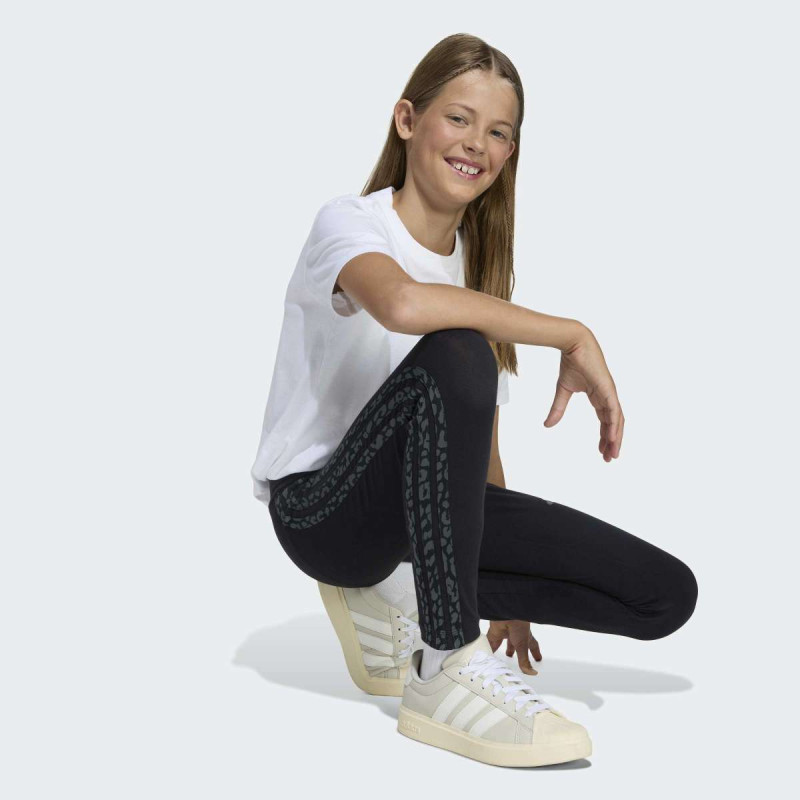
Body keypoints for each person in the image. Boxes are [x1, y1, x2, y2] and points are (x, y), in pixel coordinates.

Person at [250, 34, 698, 768]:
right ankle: (444, 665)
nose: (476, 145)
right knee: (458, 347)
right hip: (323, 514)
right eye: (458, 119)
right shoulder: (350, 223)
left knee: (663, 595)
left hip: (420, 517)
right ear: (407, 120)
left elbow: (475, 447)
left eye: (498, 132)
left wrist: (508, 598)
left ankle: (422, 594)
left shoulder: (475, 281)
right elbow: (400, 304)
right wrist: (571, 334)